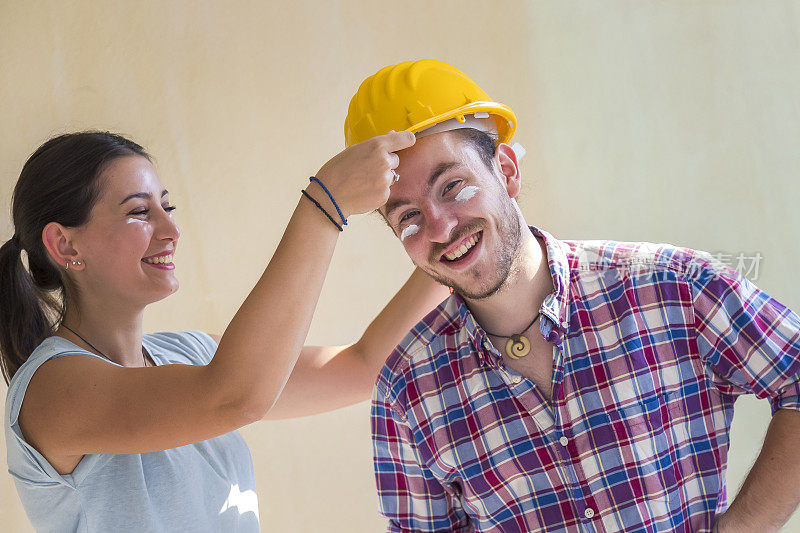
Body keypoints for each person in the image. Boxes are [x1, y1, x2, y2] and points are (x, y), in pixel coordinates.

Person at [343, 59, 800, 532]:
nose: (440, 227)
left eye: (453, 187)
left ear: (506, 171)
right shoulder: (406, 393)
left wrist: (745, 526)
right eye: (410, 218)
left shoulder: (672, 287)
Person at [0, 130, 451, 531]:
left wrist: (450, 241)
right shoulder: (50, 389)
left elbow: (363, 366)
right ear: (65, 243)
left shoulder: (192, 354)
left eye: (167, 206)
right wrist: (323, 203)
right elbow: (237, 397)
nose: (171, 228)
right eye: (140, 212)